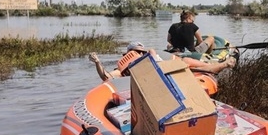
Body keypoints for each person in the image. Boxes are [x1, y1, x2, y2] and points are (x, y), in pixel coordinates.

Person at [89, 41, 235, 82]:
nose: (139, 53)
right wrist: (97, 62)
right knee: (201, 68)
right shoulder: (124, 68)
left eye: (140, 50)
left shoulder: (150, 52)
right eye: (137, 51)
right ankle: (224, 64)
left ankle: (221, 64)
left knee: (203, 66)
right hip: (173, 69)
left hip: (179, 61)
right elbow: (106, 77)